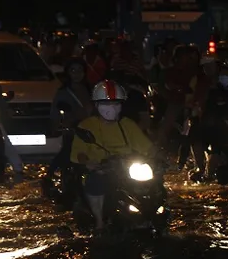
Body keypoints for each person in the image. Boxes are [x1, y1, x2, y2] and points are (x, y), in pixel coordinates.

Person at [70, 80, 154, 232]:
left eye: (116, 103)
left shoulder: (127, 124)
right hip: (100, 169)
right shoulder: (87, 126)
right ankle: (99, 222)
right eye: (106, 104)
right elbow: (79, 152)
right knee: (96, 181)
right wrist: (88, 163)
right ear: (97, 105)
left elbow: (146, 147)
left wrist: (159, 156)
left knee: (155, 183)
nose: (111, 108)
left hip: (126, 167)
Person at [43, 58, 93, 191]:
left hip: (89, 128)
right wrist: (55, 126)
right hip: (72, 130)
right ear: (68, 73)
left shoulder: (89, 89)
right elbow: (55, 112)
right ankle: (52, 177)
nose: (77, 74)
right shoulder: (63, 92)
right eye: (73, 70)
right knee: (66, 153)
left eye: (80, 70)